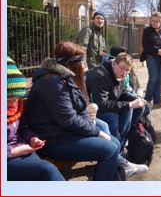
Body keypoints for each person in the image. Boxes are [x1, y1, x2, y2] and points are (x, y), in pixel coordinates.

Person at [23, 42, 120, 181]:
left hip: (65, 133)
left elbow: (79, 110)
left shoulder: (64, 78)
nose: (85, 65)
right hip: (52, 140)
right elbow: (68, 120)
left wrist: (91, 126)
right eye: (83, 61)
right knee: (110, 150)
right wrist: (97, 132)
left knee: (115, 142)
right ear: (72, 63)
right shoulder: (53, 83)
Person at [6, 57, 65, 181]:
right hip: (10, 156)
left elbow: (22, 128)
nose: (14, 103)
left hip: (23, 149)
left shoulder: (16, 106)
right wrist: (14, 151)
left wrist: (31, 138)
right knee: (47, 170)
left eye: (17, 98)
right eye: (9, 100)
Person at [141, 11, 161, 108]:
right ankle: (147, 101)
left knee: (159, 80)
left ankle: (157, 102)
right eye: (152, 20)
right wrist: (157, 51)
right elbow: (145, 46)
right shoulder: (147, 31)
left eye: (156, 21)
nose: (154, 23)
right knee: (153, 79)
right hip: (151, 58)